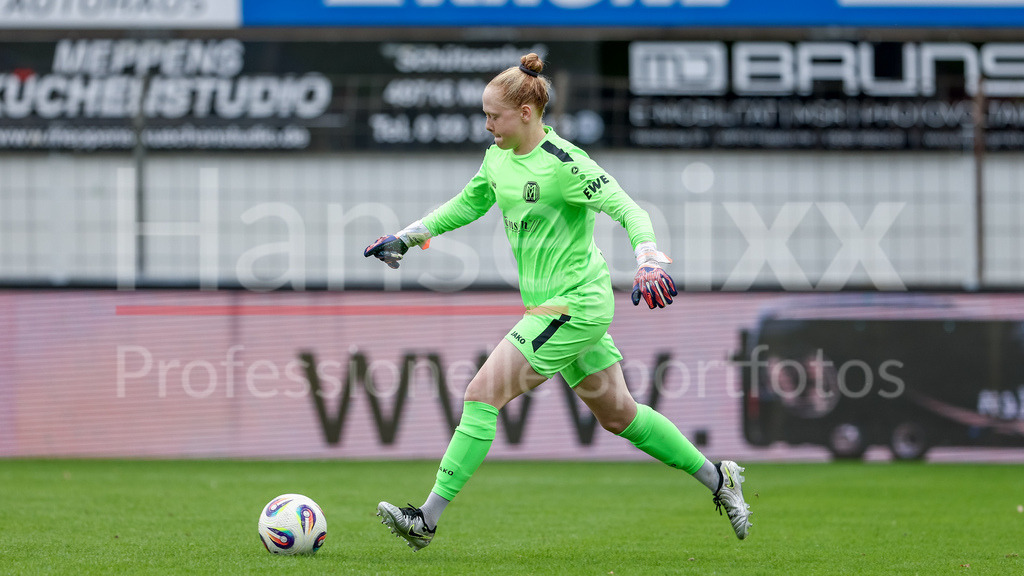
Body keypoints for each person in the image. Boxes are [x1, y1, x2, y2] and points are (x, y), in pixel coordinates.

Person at [364, 53, 752, 551]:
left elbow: (626, 207)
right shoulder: (497, 158)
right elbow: (469, 202)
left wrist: (649, 258)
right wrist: (408, 236)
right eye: (485, 116)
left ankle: (427, 520)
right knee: (620, 416)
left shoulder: (565, 164)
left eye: (494, 116)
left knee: (482, 394)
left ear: (527, 112)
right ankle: (720, 478)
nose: (487, 126)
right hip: (551, 306)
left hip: (575, 305)